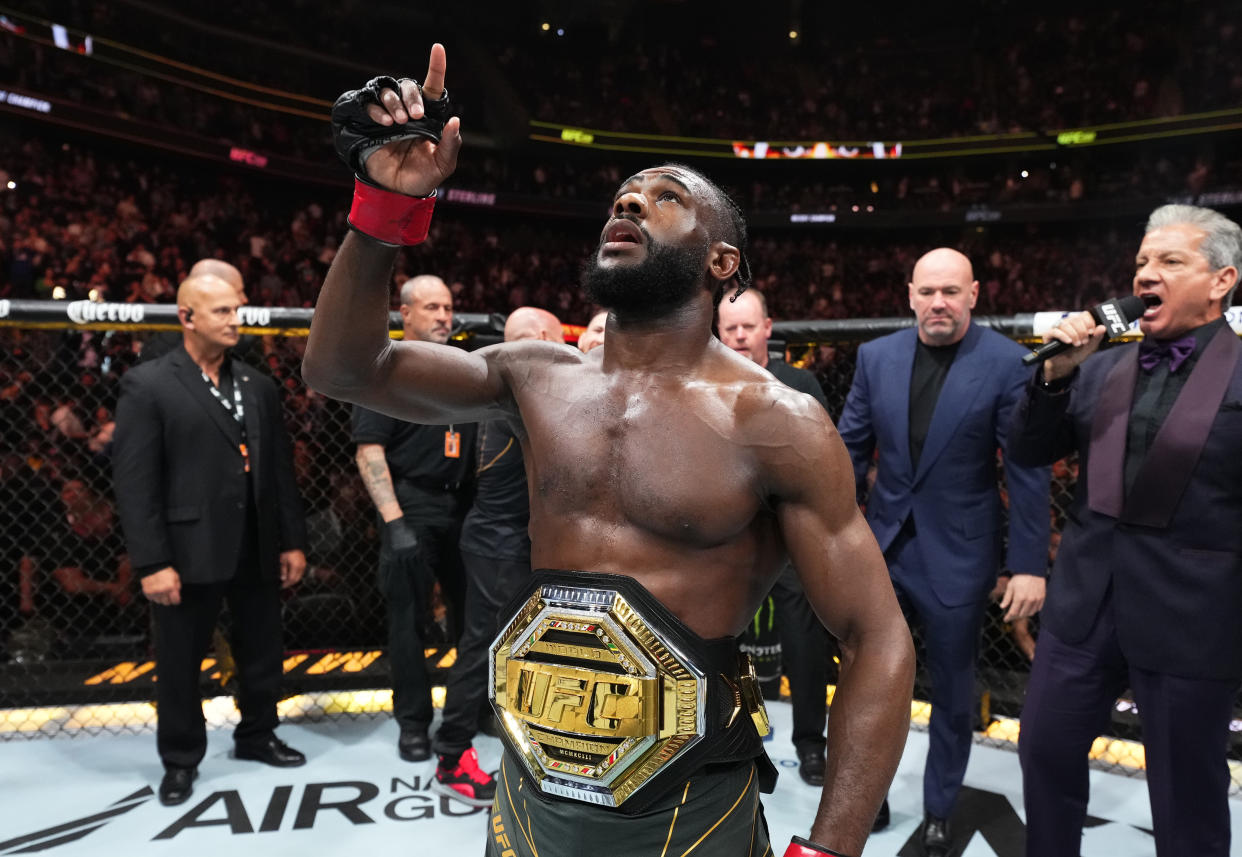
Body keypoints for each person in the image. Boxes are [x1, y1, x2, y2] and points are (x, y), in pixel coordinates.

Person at [303, 47, 913, 857]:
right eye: (625, 196)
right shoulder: (534, 376)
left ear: (721, 262)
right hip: (529, 797)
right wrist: (383, 206)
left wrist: (831, 848)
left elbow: (877, 637)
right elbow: (345, 368)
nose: (630, 204)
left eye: (666, 200)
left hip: (687, 813)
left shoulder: (776, 421)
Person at [1008, 204, 1242, 857]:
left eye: (1170, 260)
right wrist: (1055, 375)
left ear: (1222, 280)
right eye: (1142, 261)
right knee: (1044, 751)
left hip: (1191, 618)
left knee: (1187, 795)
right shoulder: (1102, 365)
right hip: (1083, 606)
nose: (1146, 273)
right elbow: (1028, 450)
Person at [836, 247, 1051, 855]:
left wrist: (1029, 564)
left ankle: (939, 807)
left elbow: (1028, 472)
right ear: (910, 295)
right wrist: (836, 531)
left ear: (974, 295)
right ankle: (867, 792)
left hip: (960, 552)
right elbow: (849, 450)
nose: (939, 303)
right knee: (869, 681)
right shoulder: (876, 357)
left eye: (951, 291)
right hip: (881, 546)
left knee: (954, 693)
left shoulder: (1009, 363)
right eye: (928, 291)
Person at [112, 274, 308, 807]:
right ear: (187, 318)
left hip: (256, 542)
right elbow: (135, 482)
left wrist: (291, 539)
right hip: (186, 548)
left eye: (234, 310)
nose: (233, 320)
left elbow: (279, 474)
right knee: (179, 661)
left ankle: (258, 734)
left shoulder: (257, 385)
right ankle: (180, 759)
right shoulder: (149, 383)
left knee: (263, 651)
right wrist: (151, 561)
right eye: (220, 312)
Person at [432, 306, 565, 805]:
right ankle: (451, 755)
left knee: (504, 649)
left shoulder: (501, 395)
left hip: (502, 541)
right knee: (485, 647)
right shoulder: (525, 400)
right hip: (500, 544)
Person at [351, 273, 478, 774]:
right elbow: (369, 450)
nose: (444, 316)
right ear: (405, 314)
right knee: (408, 623)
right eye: (432, 308)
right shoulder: (386, 371)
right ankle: (412, 722)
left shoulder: (466, 369)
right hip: (411, 505)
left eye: (447, 307)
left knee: (473, 621)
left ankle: (467, 713)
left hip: (462, 507)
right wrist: (394, 521)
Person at [718, 289, 837, 792]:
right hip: (725, 542)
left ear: (768, 327)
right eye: (731, 329)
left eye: (748, 326)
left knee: (805, 648)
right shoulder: (704, 385)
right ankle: (727, 739)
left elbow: (828, 458)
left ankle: (810, 745)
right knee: (719, 644)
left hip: (789, 538)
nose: (740, 335)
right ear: (719, 333)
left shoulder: (800, 384)